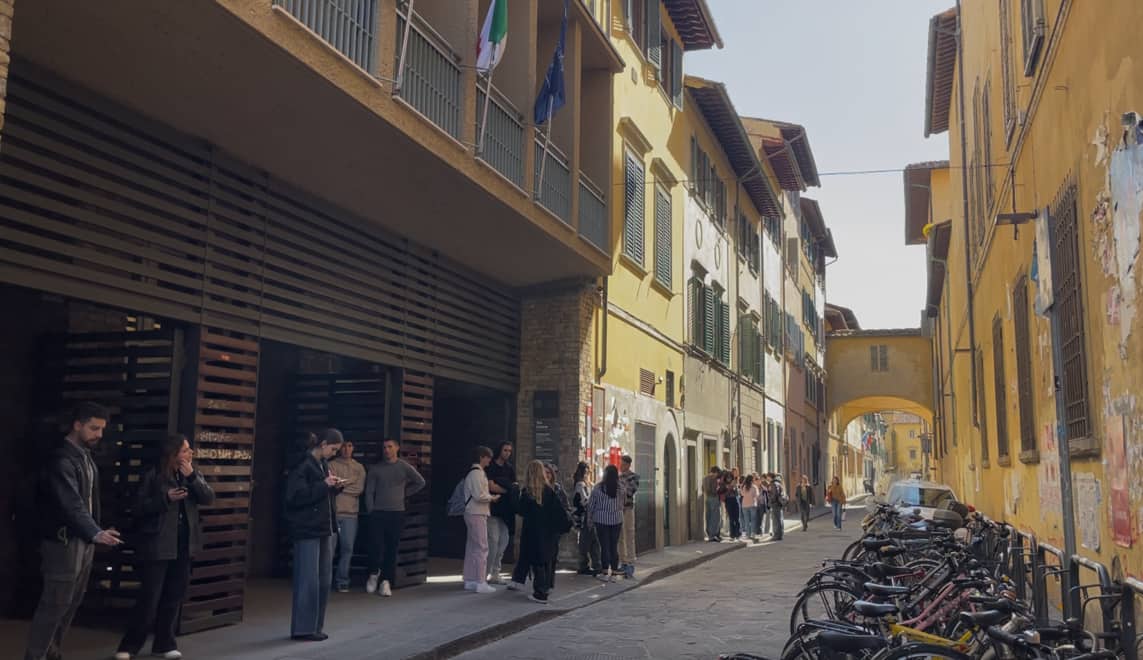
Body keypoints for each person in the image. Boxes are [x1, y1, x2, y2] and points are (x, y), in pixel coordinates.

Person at [26, 402, 123, 660]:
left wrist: (96, 530)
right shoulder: (62, 459)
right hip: (63, 541)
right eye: (94, 428)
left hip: (82, 539)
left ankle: (51, 653)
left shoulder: (85, 457)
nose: (99, 434)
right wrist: (95, 532)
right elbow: (70, 503)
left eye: (102, 429)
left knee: (70, 602)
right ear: (77, 425)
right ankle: (36, 656)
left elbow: (85, 504)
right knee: (55, 604)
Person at [115, 433, 215, 660]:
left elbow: (208, 497)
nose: (190, 453)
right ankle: (130, 645)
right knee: (149, 598)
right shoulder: (153, 475)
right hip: (157, 543)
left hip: (184, 544)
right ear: (172, 454)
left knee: (173, 596)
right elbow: (137, 508)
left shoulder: (191, 473)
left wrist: (192, 478)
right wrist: (165, 499)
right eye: (185, 450)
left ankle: (164, 642)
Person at [285, 429, 344, 642]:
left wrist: (334, 488)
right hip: (308, 529)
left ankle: (315, 626)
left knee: (323, 580)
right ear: (324, 444)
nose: (334, 453)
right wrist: (324, 486)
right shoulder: (302, 465)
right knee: (308, 580)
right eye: (334, 449)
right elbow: (295, 497)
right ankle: (303, 628)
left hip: (323, 528)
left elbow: (318, 493)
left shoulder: (322, 465)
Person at [363, 438, 425, 598]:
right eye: (384, 447)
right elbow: (369, 491)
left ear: (397, 448)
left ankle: (385, 581)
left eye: (390, 447)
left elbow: (420, 482)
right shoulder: (376, 469)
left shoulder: (404, 467)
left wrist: (404, 494)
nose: (387, 450)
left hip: (397, 512)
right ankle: (373, 574)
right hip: (378, 512)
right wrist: (371, 509)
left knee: (392, 547)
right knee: (376, 545)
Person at [518, 461, 568, 604]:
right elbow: (559, 512)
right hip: (549, 532)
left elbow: (521, 511)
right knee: (546, 560)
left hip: (532, 531)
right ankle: (544, 588)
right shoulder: (549, 491)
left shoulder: (527, 492)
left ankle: (540, 593)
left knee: (537, 561)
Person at [329, 440, 365, 593]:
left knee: (347, 548)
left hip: (351, 514)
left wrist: (341, 486)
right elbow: (331, 486)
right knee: (329, 550)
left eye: (349, 445)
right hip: (333, 513)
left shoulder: (359, 467)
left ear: (353, 448)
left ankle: (342, 580)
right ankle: (325, 580)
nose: (346, 449)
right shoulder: (331, 465)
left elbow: (359, 489)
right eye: (343, 446)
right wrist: (349, 483)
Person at [462, 446, 500, 594]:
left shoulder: (473, 473)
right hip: (477, 512)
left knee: (472, 547)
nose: (489, 460)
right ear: (482, 457)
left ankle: (470, 579)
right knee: (482, 547)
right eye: (488, 457)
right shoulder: (478, 474)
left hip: (472, 512)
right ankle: (480, 580)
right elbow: (479, 496)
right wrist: (492, 497)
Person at [484, 442, 516, 585]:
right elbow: (491, 486)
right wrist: (506, 490)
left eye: (509, 451)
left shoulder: (510, 468)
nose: (507, 453)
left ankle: (496, 572)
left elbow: (514, 487)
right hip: (493, 508)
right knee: (493, 541)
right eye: (505, 450)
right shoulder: (491, 466)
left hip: (506, 510)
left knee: (503, 541)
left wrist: (504, 489)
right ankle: (485, 573)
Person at [586, 464, 624, 583]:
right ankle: (614, 572)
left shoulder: (598, 488)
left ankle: (604, 572)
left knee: (604, 546)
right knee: (614, 546)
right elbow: (623, 503)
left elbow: (591, 505)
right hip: (617, 520)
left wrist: (589, 519)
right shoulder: (621, 488)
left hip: (601, 520)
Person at [572, 461, 600, 575]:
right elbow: (584, 501)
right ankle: (587, 565)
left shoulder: (587, 484)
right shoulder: (580, 485)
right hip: (585, 517)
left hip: (590, 517)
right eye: (587, 471)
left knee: (592, 541)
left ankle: (593, 564)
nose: (588, 473)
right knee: (587, 542)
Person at [617, 455, 639, 578]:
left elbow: (630, 491)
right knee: (620, 536)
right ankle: (623, 561)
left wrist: (621, 488)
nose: (621, 466)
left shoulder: (634, 477)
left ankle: (630, 563)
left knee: (629, 534)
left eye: (623, 464)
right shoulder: (619, 477)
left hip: (628, 509)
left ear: (628, 465)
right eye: (620, 464)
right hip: (619, 509)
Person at [702, 466, 722, 542]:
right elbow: (714, 490)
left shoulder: (704, 478)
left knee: (708, 516)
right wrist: (719, 488)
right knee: (715, 517)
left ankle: (709, 534)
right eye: (718, 473)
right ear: (716, 472)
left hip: (707, 498)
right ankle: (712, 535)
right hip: (714, 498)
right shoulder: (714, 479)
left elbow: (703, 488)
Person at [740, 474, 759, 543]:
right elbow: (756, 495)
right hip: (752, 505)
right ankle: (753, 533)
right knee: (753, 520)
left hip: (744, 505)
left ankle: (748, 534)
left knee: (746, 520)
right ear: (752, 480)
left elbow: (741, 494)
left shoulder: (743, 486)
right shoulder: (754, 487)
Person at [722, 470, 741, 540]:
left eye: (730, 477)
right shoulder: (724, 485)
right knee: (731, 519)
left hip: (735, 500)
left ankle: (738, 534)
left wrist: (735, 487)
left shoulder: (735, 483)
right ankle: (732, 535)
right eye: (728, 477)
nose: (729, 479)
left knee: (737, 518)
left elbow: (737, 493)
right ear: (726, 478)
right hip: (728, 501)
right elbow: (724, 494)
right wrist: (729, 487)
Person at [769, 474, 786, 541]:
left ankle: (776, 535)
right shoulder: (779, 483)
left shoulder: (774, 484)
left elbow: (774, 494)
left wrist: (771, 501)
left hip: (775, 504)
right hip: (779, 504)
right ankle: (780, 535)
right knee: (780, 519)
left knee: (776, 520)